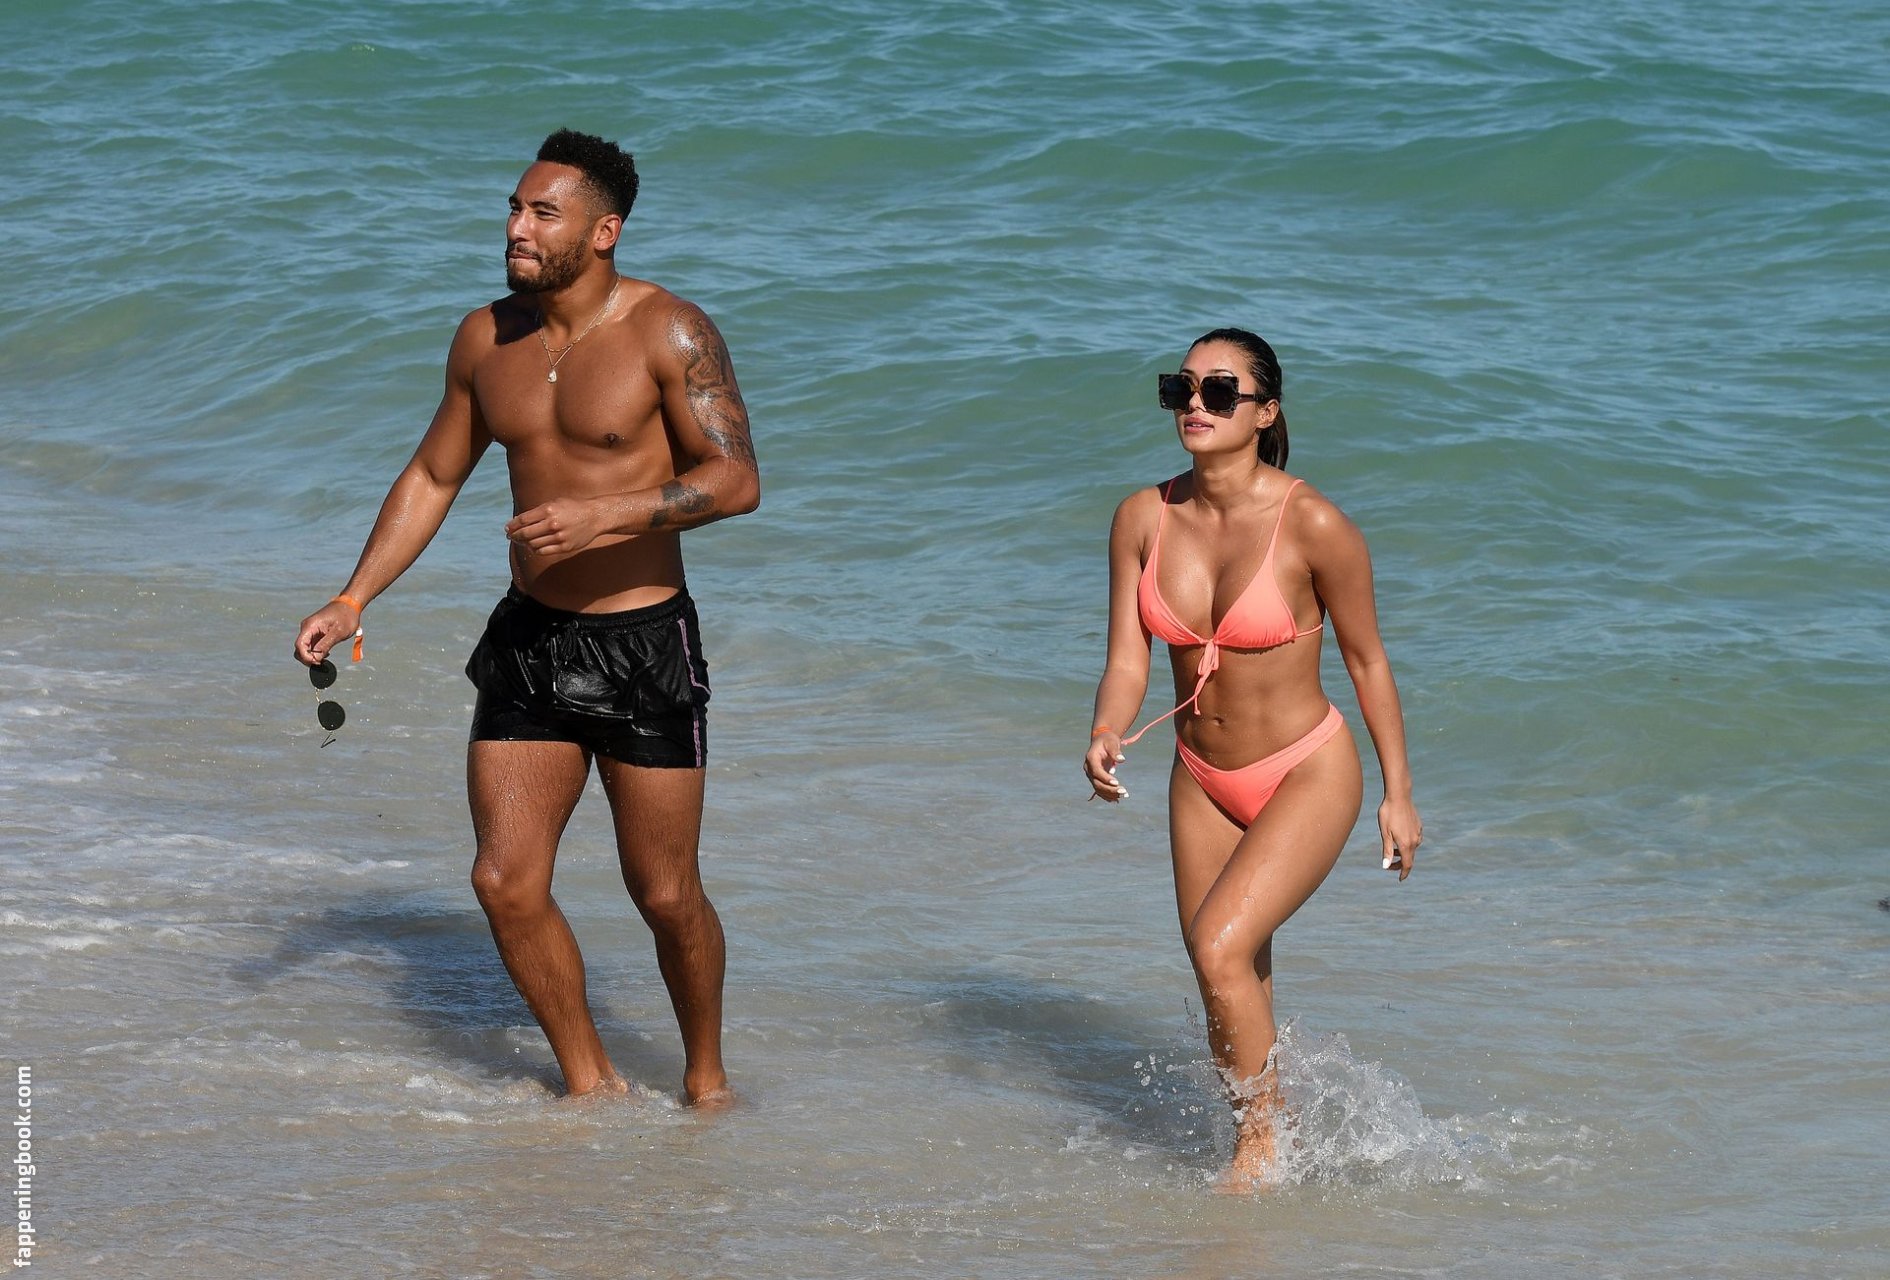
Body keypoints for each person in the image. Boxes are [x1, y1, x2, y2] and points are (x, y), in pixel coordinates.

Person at [293, 129, 760, 1105]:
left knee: (665, 892)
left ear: (604, 231)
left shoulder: (670, 331)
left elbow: (735, 479)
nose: (517, 227)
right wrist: (353, 595)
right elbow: (434, 474)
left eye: (543, 213)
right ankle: (590, 1085)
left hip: (642, 642)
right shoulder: (486, 339)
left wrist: (610, 512)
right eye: (515, 207)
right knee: (504, 881)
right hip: (530, 638)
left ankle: (707, 1082)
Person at [1081, 327, 1420, 1188]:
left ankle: (1258, 1154)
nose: (1195, 404)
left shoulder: (1313, 523)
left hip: (1306, 768)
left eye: (1220, 391)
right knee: (1226, 971)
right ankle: (1273, 1136)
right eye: (1181, 388)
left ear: (1265, 412)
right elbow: (1127, 660)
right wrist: (1106, 729)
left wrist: (1399, 793)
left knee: (1218, 948)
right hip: (1199, 776)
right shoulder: (1142, 518)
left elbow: (1368, 660)